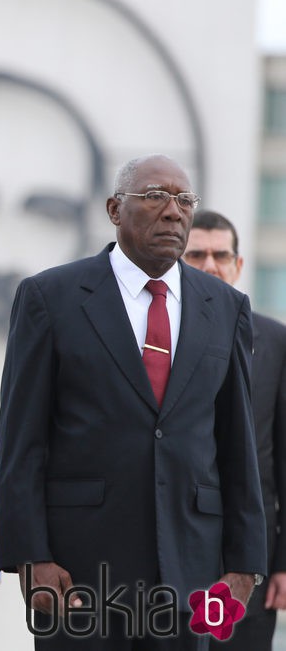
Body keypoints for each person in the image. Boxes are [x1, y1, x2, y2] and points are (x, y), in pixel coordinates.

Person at [0, 154, 266, 650]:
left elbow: (236, 445)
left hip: (191, 572)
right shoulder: (49, 297)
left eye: (185, 200)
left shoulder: (226, 307)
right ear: (115, 209)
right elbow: (21, 440)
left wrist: (246, 563)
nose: (173, 211)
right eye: (155, 196)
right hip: (78, 574)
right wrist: (30, 555)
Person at [183, 210, 286, 650]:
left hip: (252, 550)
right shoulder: (158, 336)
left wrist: (283, 561)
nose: (210, 265)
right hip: (175, 538)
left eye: (221, 255)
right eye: (197, 255)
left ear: (238, 265)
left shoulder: (277, 341)